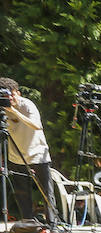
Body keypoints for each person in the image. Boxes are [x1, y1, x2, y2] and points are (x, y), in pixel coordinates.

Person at [0, 78, 54, 222]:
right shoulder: (1, 109)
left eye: (12, 95)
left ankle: (53, 223)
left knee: (46, 192)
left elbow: (37, 125)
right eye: (6, 96)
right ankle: (28, 222)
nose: (10, 99)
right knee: (22, 194)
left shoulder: (27, 105)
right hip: (16, 156)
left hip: (37, 153)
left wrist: (13, 112)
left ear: (18, 92)